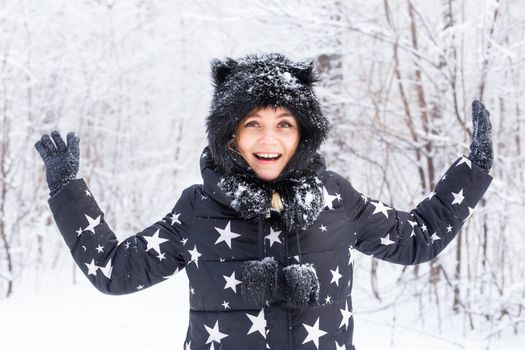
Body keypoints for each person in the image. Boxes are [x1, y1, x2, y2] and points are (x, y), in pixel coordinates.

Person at [35, 53, 493, 350]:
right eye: (252, 123)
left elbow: (417, 239)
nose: (268, 139)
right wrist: (67, 191)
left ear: (304, 134)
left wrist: (472, 173)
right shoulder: (197, 210)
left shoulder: (336, 198)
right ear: (230, 134)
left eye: (284, 124)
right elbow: (116, 272)